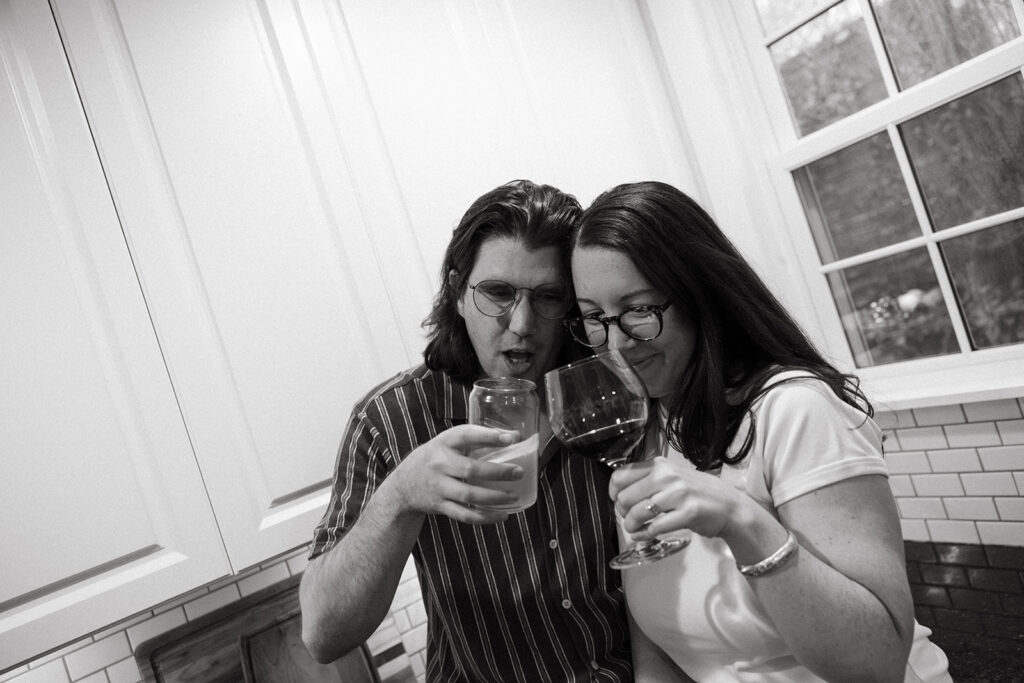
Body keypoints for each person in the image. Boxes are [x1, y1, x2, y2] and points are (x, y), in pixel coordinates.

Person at [565, 181, 951, 682]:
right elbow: (659, 643)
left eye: (639, 309)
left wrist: (740, 520)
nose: (616, 342)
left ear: (702, 297)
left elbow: (877, 661)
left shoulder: (794, 408)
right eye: (595, 317)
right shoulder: (649, 427)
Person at [300, 179, 633, 681]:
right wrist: (403, 494)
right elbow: (324, 635)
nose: (521, 323)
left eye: (548, 297)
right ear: (458, 292)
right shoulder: (391, 420)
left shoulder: (605, 387)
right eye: (498, 293)